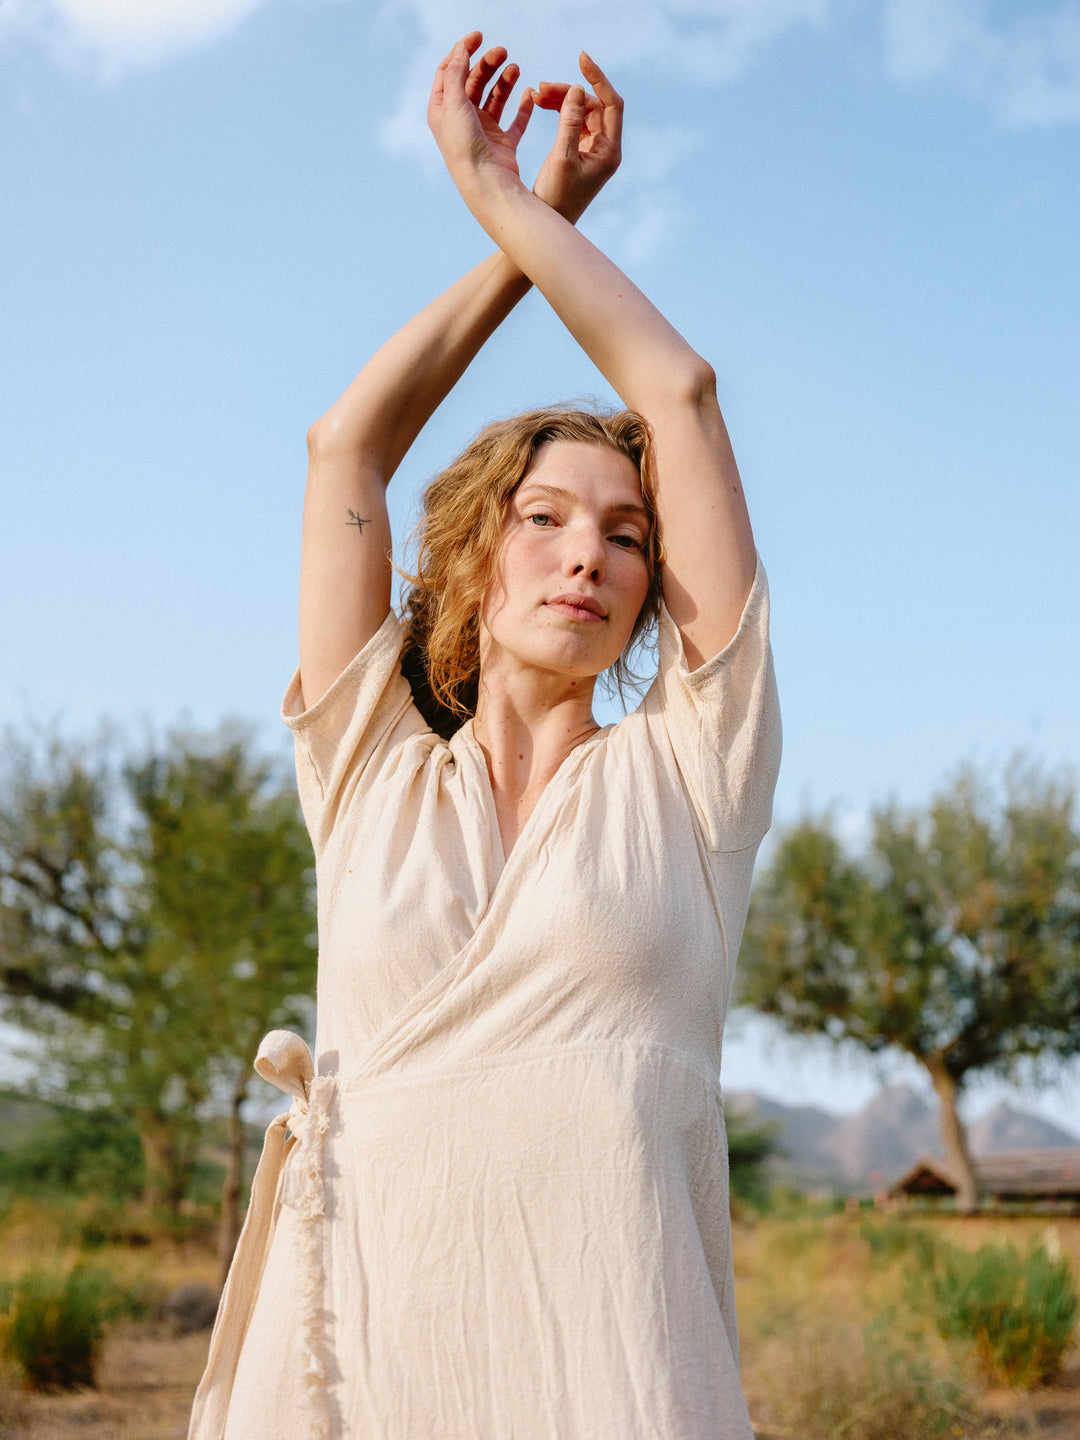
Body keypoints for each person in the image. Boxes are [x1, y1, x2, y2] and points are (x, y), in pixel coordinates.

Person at [189, 32, 780, 1440]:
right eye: (546, 517)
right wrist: (533, 225)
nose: (589, 553)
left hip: (619, 1383)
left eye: (627, 534)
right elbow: (348, 449)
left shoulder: (695, 771)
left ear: (653, 589)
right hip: (354, 1368)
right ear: (469, 561)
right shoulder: (372, 771)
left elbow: (680, 391)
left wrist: (509, 200)